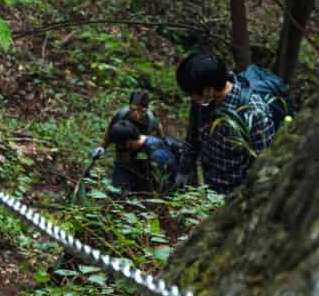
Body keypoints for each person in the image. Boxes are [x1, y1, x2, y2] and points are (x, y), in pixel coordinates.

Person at [175, 51, 274, 195]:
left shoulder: (252, 112)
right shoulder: (201, 101)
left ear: (209, 90)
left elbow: (263, 165)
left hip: (236, 195)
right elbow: (193, 139)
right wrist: (183, 171)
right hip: (209, 191)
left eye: (192, 93)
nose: (191, 98)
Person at [91, 90, 164, 192]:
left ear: (146, 109)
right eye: (133, 109)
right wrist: (102, 147)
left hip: (141, 155)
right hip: (122, 154)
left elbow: (160, 139)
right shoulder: (121, 115)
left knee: (142, 186)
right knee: (118, 187)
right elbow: (110, 132)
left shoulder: (151, 120)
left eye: (140, 110)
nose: (136, 113)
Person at [108, 120, 178, 194]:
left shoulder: (157, 154)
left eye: (120, 145)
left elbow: (166, 183)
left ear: (128, 141)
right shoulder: (135, 147)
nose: (120, 147)